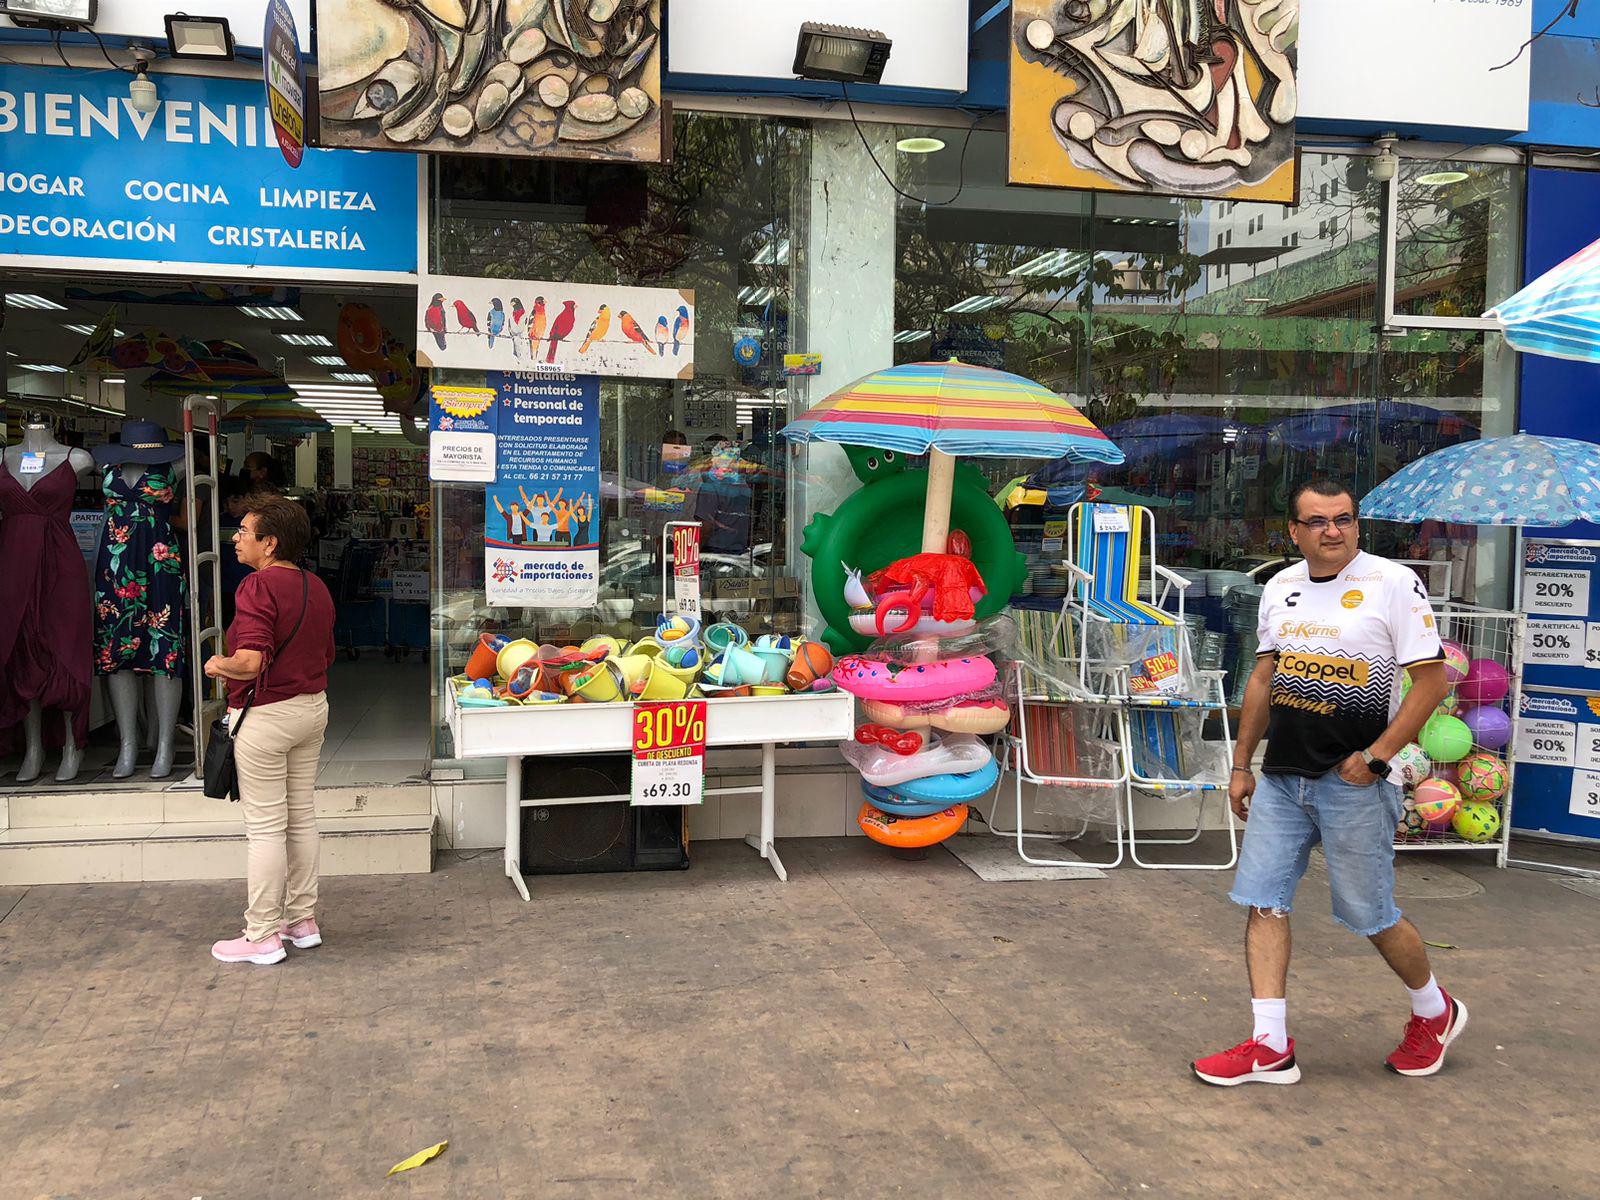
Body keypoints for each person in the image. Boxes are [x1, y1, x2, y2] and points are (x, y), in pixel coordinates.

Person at [1191, 477, 1464, 1086]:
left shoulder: (1392, 584)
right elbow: (1263, 678)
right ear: (1294, 531)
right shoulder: (1281, 587)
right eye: (1316, 521)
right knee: (1263, 899)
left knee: (1370, 913)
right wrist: (1241, 763)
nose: (1332, 531)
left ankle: (1434, 1011)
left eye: (1343, 519)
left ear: (1356, 525)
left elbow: (1432, 680)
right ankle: (1270, 1046)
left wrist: (1378, 756)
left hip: (1356, 784)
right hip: (1284, 779)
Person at [204, 495, 336, 966]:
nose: (236, 538)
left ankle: (261, 934)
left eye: (244, 531)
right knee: (301, 817)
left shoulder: (257, 586)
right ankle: (301, 921)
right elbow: (325, 655)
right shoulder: (316, 586)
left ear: (270, 542)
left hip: (267, 715)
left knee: (265, 829)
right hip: (311, 708)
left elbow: (249, 661)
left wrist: (217, 663)